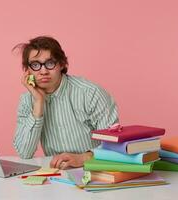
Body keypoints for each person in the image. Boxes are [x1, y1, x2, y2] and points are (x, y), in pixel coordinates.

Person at [13, 36, 119, 169]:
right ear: (27, 70)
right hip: (57, 174)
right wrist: (38, 103)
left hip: (95, 169)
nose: (43, 71)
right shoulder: (27, 99)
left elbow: (115, 145)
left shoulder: (90, 93)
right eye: (35, 65)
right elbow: (24, 152)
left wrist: (83, 158)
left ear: (62, 64)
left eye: (50, 63)